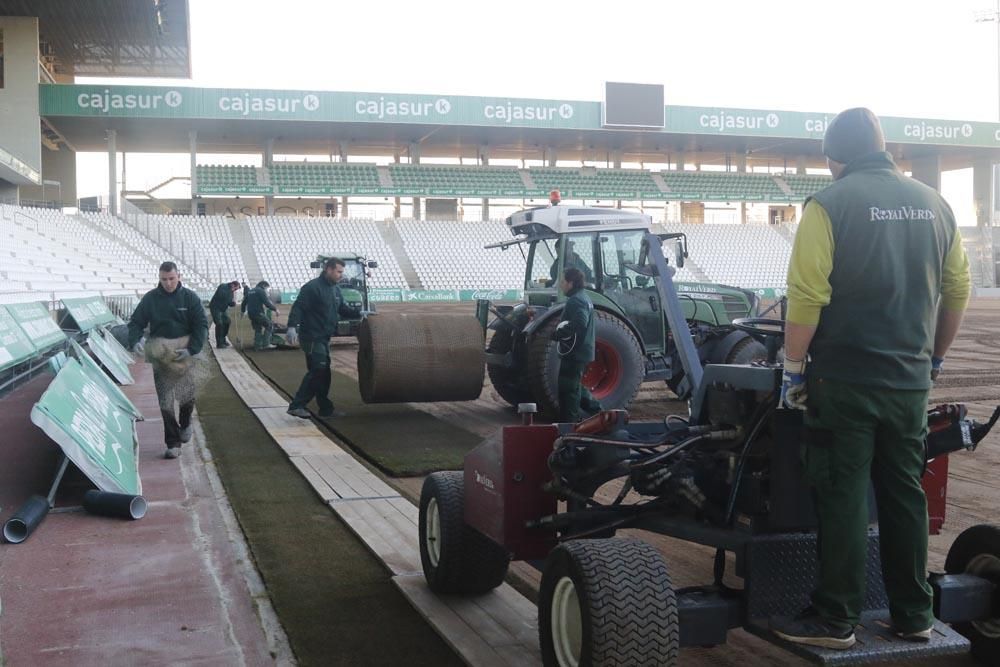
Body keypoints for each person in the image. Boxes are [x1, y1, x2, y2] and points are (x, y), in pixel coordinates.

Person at [770, 108, 971, 649]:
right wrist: (933, 358)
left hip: (845, 382)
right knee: (905, 493)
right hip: (909, 384)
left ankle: (836, 620)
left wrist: (792, 371)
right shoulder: (936, 204)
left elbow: (808, 296)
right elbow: (957, 289)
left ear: (835, 156)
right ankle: (912, 615)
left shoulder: (829, 205)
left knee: (842, 494)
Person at [127, 261, 208, 459]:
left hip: (185, 352)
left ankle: (186, 421)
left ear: (179, 276)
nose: (168, 283)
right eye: (164, 279)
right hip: (160, 353)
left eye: (171, 279)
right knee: (165, 400)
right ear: (159, 279)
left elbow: (201, 324)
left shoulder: (190, 298)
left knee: (186, 395)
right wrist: (135, 339)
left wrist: (192, 349)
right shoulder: (151, 299)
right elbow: (136, 322)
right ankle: (173, 443)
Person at [284, 258, 362, 419]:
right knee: (318, 369)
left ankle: (325, 409)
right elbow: (298, 307)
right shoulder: (312, 287)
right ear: (328, 269)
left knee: (324, 372)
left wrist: (360, 313)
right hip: (312, 336)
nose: (341, 275)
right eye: (339, 272)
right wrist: (292, 327)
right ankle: (296, 405)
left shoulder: (335, 289)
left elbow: (343, 309)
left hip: (324, 337)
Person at [551, 267, 602, 422]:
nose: (560, 284)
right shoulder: (584, 297)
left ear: (570, 283)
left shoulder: (576, 300)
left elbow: (580, 322)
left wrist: (559, 334)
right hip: (581, 351)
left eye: (562, 281)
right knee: (575, 386)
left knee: (568, 391)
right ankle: (599, 413)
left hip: (575, 353)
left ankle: (569, 426)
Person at [241, 280, 278, 351]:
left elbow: (243, 303)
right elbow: (266, 302)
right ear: (264, 286)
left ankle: (257, 346)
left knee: (258, 328)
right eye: (266, 288)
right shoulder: (260, 291)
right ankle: (266, 344)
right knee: (269, 325)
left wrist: (242, 312)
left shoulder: (250, 291)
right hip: (258, 313)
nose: (266, 290)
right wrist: (275, 309)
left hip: (251, 314)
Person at [209, 280, 240, 348]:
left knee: (227, 322)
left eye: (236, 289)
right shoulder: (223, 286)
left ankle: (223, 339)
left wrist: (232, 303)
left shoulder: (231, 292)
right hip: (215, 307)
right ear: (232, 285)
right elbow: (221, 295)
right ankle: (219, 343)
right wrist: (230, 291)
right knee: (219, 323)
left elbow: (228, 302)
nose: (235, 290)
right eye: (235, 288)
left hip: (223, 309)